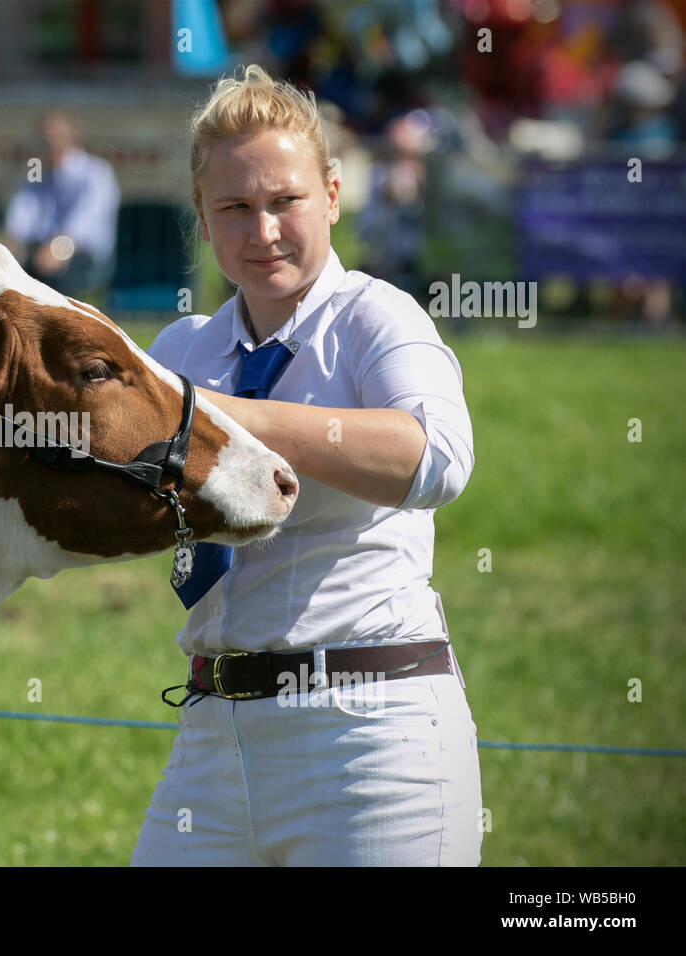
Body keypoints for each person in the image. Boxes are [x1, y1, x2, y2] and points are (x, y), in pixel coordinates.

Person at [133, 64, 481, 866]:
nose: (263, 232)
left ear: (330, 195)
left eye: (285, 201)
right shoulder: (180, 351)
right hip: (210, 732)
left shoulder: (377, 317)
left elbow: (438, 460)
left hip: (372, 736)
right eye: (235, 208)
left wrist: (230, 420)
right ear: (202, 216)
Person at [3, 110, 119, 299]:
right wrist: (7, 245)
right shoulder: (35, 175)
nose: (49, 142)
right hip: (40, 251)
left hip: (85, 255)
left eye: (55, 136)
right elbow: (21, 218)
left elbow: (85, 223)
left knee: (55, 275)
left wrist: (59, 248)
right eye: (45, 137)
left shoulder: (96, 173)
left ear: (72, 138)